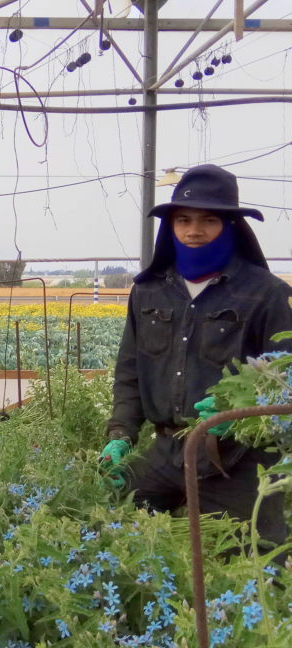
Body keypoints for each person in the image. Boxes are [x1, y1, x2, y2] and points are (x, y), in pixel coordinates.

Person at [101, 165, 292, 548]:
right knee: (112, 529)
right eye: (183, 220)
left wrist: (235, 416)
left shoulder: (266, 294)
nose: (193, 230)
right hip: (166, 451)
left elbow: (286, 379)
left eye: (209, 220)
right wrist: (121, 434)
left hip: (239, 461)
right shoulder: (149, 292)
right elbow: (130, 373)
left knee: (253, 558)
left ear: (232, 226)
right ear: (170, 227)